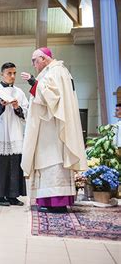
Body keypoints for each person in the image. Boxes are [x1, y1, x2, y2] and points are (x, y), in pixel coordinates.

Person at [21, 47, 87, 213]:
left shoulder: (55, 71)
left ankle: (57, 203)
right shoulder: (56, 71)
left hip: (53, 128)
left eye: (35, 60)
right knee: (49, 162)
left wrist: (33, 82)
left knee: (53, 162)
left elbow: (52, 98)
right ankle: (50, 202)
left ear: (43, 58)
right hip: (49, 127)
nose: (33, 64)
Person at [0, 62, 28, 206]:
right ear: (2, 74)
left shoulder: (19, 92)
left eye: (14, 73)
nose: (12, 76)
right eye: (9, 73)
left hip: (14, 132)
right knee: (0, 164)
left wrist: (17, 107)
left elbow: (26, 113)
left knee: (14, 163)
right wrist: (1, 105)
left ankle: (13, 195)